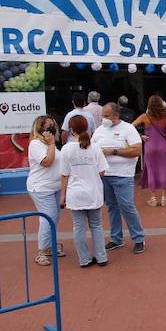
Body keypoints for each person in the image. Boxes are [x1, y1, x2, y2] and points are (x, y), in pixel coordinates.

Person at [93, 103, 145, 255]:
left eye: (107, 116)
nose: (104, 119)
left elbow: (136, 150)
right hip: (104, 175)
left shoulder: (128, 129)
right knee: (112, 206)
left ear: (116, 115)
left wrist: (114, 151)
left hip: (123, 174)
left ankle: (138, 238)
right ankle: (116, 238)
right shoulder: (99, 130)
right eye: (103, 115)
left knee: (127, 206)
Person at [59, 115, 108, 268]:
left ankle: (84, 259)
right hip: (93, 191)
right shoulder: (95, 147)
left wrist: (62, 196)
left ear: (71, 130)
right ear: (87, 127)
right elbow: (102, 171)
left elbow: (64, 174)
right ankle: (101, 257)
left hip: (75, 193)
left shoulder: (66, 149)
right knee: (96, 225)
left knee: (79, 227)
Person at [26, 114, 66, 266]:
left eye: (53, 125)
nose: (52, 128)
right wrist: (50, 145)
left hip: (54, 186)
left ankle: (49, 246)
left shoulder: (52, 144)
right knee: (47, 217)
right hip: (41, 187)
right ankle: (41, 251)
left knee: (54, 217)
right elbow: (47, 162)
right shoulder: (36, 144)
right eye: (48, 125)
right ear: (40, 128)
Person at [133, 95, 166, 207]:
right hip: (162, 146)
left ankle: (153, 197)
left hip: (149, 145)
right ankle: (164, 197)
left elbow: (130, 127)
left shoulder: (145, 117)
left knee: (151, 170)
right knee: (164, 170)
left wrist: (140, 136)